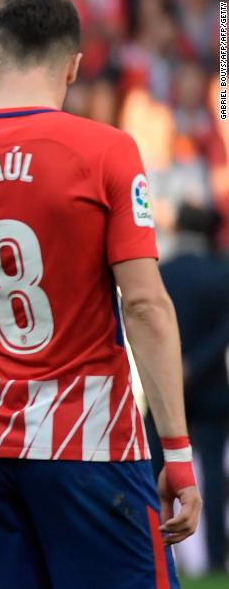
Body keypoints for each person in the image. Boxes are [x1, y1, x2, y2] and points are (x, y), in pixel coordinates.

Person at [0, 0, 200, 589]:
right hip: (89, 440)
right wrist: (175, 451)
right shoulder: (106, 152)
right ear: (73, 64)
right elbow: (145, 304)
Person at [155, 204, 229, 575]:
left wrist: (175, 366)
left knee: (156, 472)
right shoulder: (222, 273)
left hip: (164, 390)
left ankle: (157, 553)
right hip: (213, 387)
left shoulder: (161, 273)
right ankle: (216, 557)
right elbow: (223, 334)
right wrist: (195, 365)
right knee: (212, 477)